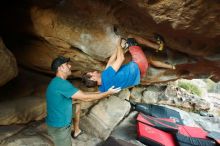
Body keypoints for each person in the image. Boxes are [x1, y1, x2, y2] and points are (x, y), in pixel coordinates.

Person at [46, 56, 121, 146]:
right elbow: (85, 97)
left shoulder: (58, 82)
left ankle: (76, 130)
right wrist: (107, 93)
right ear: (61, 68)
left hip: (60, 115)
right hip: (59, 126)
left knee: (77, 106)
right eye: (67, 64)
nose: (70, 66)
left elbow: (81, 94)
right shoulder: (61, 84)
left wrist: (101, 92)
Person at [82, 34, 175, 92]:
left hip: (140, 74)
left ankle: (171, 66)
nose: (94, 71)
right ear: (93, 78)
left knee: (149, 60)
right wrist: (119, 45)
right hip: (138, 64)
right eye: (92, 73)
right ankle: (158, 46)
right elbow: (121, 58)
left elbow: (110, 62)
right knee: (131, 37)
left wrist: (119, 48)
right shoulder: (106, 75)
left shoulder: (103, 88)